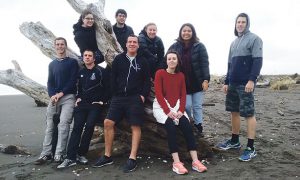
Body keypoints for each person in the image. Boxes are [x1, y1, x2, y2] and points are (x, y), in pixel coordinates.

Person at [93, 35, 151, 173]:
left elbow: (147, 81)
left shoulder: (143, 61)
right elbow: (112, 77)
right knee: (108, 122)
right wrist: (114, 93)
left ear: (138, 45)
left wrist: (142, 96)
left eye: (134, 42)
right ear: (126, 44)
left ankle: (132, 158)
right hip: (118, 98)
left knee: (135, 126)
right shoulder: (119, 59)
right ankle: (107, 156)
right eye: (130, 42)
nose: (132, 44)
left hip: (135, 98)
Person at [217, 13, 263, 162]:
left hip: (246, 83)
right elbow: (230, 65)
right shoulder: (234, 43)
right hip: (233, 83)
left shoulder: (255, 39)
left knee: (249, 114)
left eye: (243, 22)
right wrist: (226, 81)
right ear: (235, 24)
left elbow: (257, 61)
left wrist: (252, 80)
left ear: (247, 24)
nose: (240, 24)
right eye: (238, 22)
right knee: (234, 112)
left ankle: (250, 147)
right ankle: (235, 140)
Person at [153, 50, 207, 175]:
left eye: (174, 59)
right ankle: (176, 162)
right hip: (161, 106)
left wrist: (181, 110)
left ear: (178, 61)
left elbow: (183, 95)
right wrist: (167, 111)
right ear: (166, 61)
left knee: (187, 127)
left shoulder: (181, 75)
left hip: (177, 105)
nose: (171, 61)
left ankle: (195, 161)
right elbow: (159, 94)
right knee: (170, 127)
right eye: (169, 58)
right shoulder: (160, 73)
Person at [57, 50, 110, 169]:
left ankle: (81, 154)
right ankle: (70, 157)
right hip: (82, 105)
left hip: (95, 105)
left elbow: (109, 88)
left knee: (90, 126)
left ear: (94, 58)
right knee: (77, 128)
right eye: (85, 56)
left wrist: (103, 101)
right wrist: (78, 98)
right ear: (83, 57)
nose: (87, 57)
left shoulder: (101, 71)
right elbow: (77, 88)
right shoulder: (80, 72)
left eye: (90, 56)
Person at [34, 37, 79, 165]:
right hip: (54, 99)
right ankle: (46, 154)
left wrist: (61, 93)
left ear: (66, 46)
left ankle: (59, 154)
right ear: (55, 47)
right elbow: (50, 82)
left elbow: (73, 80)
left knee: (63, 124)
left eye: (62, 44)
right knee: (49, 127)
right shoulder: (52, 64)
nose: (60, 46)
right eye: (57, 44)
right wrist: (52, 95)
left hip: (68, 97)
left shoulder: (72, 62)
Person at [168, 23, 210, 135]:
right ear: (180, 32)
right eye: (184, 31)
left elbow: (204, 64)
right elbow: (167, 61)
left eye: (189, 31)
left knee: (197, 106)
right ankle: (189, 122)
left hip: (197, 83)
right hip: (182, 84)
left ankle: (198, 126)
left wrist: (206, 80)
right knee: (186, 105)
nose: (186, 33)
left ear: (193, 33)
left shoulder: (199, 46)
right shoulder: (174, 47)